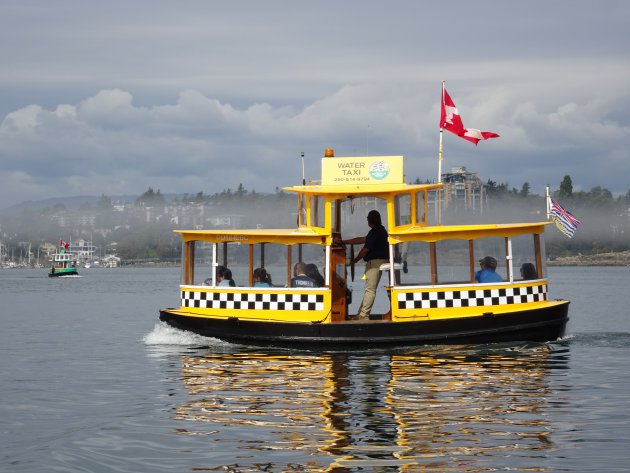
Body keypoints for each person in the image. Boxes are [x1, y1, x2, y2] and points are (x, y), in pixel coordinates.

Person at [341, 209, 389, 320]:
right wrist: (345, 242)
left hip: (375, 263)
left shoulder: (375, 232)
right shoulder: (379, 231)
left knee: (370, 290)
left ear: (371, 220)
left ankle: (363, 315)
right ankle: (361, 313)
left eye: (368, 218)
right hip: (377, 262)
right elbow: (362, 240)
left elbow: (365, 249)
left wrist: (356, 259)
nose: (367, 220)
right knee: (368, 289)